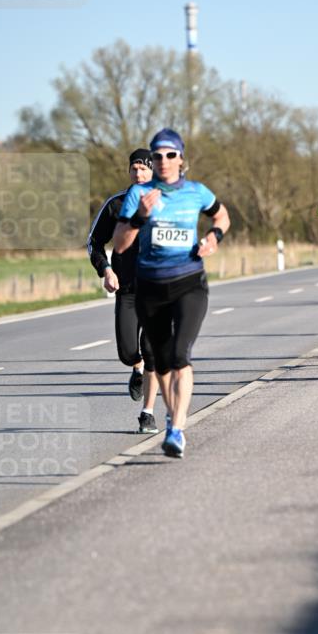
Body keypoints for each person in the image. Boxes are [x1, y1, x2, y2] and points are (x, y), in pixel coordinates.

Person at [112, 128, 230, 458]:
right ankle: (169, 415)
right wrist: (139, 219)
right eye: (157, 156)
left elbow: (221, 215)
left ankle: (177, 428)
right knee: (161, 363)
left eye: (170, 155)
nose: (163, 161)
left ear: (181, 159)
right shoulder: (140, 194)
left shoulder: (196, 191)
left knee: (180, 355)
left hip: (189, 282)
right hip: (150, 285)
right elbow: (120, 245)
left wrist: (214, 237)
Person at [87, 148, 161, 433]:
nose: (139, 173)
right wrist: (105, 269)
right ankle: (136, 368)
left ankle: (148, 413)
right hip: (128, 289)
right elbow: (94, 242)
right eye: (134, 169)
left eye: (144, 169)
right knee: (128, 351)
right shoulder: (116, 205)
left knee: (153, 351)